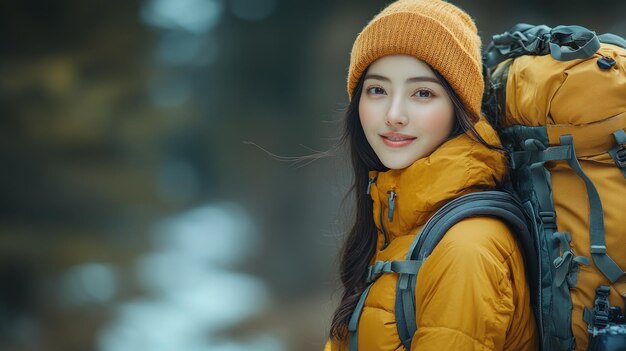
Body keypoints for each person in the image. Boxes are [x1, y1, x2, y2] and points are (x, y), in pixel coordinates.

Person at [325, 0, 538, 350]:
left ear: (460, 109)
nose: (393, 114)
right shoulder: (396, 221)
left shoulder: (467, 248)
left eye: (422, 93)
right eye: (377, 90)